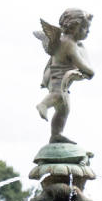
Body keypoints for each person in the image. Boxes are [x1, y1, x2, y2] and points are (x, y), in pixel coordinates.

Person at [33, 9, 95, 144]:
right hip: (59, 77)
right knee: (59, 96)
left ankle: (56, 134)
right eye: (85, 28)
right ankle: (43, 104)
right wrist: (90, 71)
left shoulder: (64, 41)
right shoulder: (70, 45)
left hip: (57, 76)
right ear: (75, 28)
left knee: (64, 109)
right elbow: (80, 63)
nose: (88, 32)